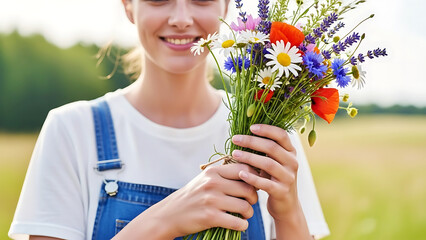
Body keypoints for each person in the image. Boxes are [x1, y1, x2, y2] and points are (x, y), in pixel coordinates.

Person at [9, 0, 330, 239]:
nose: (181, 18)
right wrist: (165, 219)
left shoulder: (269, 135)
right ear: (128, 6)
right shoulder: (72, 131)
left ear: (227, 6)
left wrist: (288, 214)